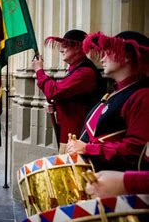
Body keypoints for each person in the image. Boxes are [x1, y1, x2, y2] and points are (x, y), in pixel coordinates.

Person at [66, 31, 149, 171]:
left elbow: (135, 149)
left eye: (107, 52)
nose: (102, 58)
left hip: (116, 183)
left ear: (126, 56)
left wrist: (88, 148)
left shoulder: (143, 95)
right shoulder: (116, 92)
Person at [32, 29, 104, 149]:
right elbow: (70, 96)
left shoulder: (85, 72)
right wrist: (56, 105)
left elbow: (53, 91)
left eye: (65, 45)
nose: (61, 49)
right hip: (69, 134)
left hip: (78, 137)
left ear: (77, 47)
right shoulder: (75, 69)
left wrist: (39, 71)